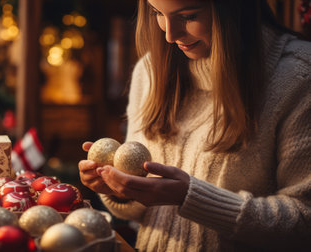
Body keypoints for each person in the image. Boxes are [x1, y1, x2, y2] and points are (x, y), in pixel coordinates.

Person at [78, 0, 311, 251]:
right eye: (157, 13)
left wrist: (192, 198)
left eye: (188, 16)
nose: (169, 35)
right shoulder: (149, 71)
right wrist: (120, 190)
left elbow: (304, 220)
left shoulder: (298, 75)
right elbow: (143, 215)